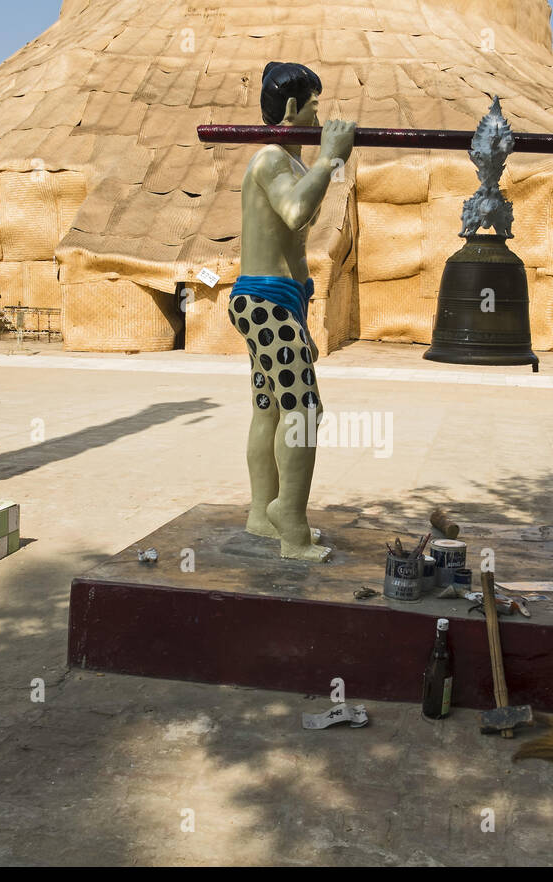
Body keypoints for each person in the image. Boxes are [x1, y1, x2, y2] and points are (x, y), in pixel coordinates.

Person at [229, 62, 355, 561]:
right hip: (265, 301)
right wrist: (330, 157)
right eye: (314, 107)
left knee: (271, 407)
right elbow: (296, 213)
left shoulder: (292, 164)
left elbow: (295, 239)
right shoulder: (271, 159)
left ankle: (262, 512)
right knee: (304, 411)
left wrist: (326, 162)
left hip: (279, 302)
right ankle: (292, 525)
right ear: (289, 109)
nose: (320, 115)